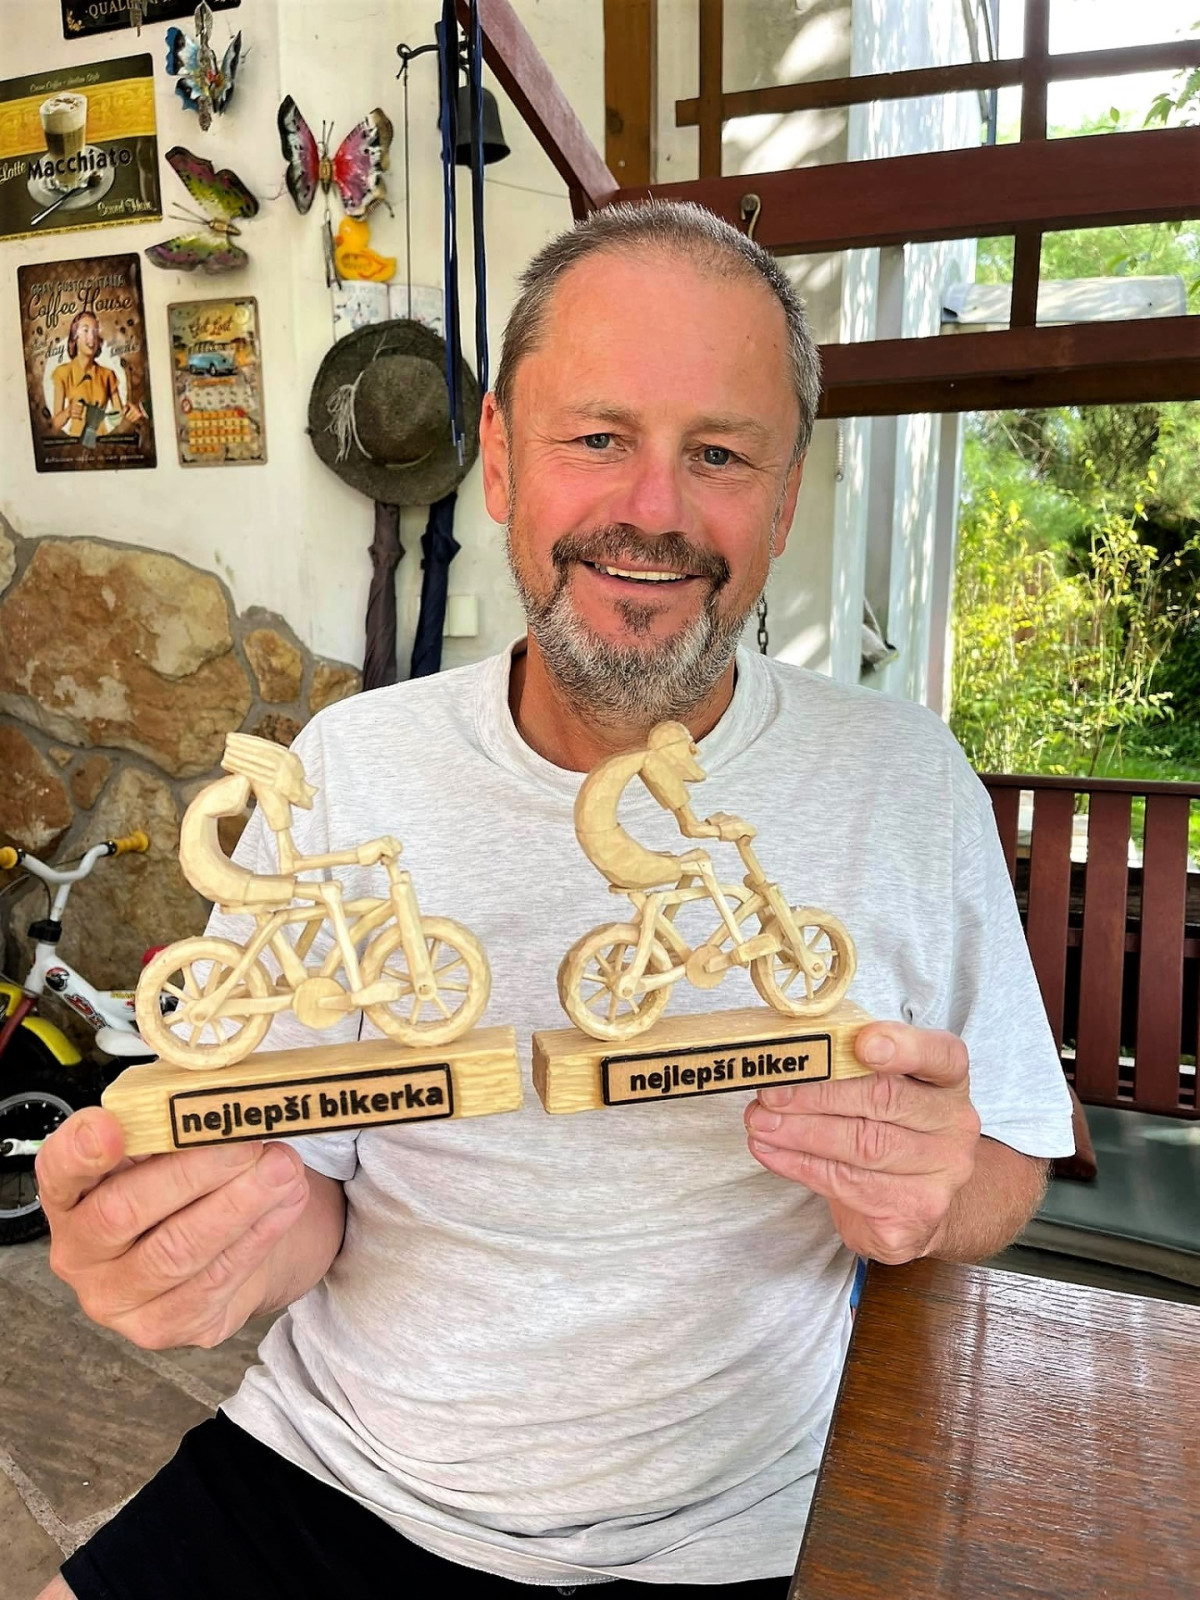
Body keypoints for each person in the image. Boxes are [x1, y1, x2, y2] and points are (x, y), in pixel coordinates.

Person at [35, 200, 1074, 1600]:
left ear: (783, 500)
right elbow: (301, 1194)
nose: (654, 509)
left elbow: (1008, 1159)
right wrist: (201, 1246)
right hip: (336, 1472)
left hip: (741, 1530)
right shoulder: (346, 764)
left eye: (719, 454)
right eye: (596, 437)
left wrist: (937, 1193)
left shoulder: (906, 779)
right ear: (504, 459)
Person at [49, 310, 145, 439]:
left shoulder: (108, 374)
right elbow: (55, 424)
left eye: (95, 332)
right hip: (76, 442)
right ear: (75, 337)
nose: (91, 337)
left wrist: (130, 412)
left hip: (102, 440)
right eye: (85, 330)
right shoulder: (62, 373)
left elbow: (118, 415)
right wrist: (68, 412)